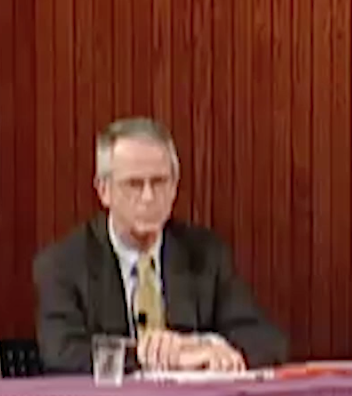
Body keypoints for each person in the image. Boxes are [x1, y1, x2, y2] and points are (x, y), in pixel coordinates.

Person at [33, 117, 287, 374]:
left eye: (159, 182)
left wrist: (205, 346)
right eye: (134, 184)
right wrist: (151, 356)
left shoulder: (205, 254)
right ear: (104, 191)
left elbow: (266, 342)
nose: (148, 197)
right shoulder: (63, 265)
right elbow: (61, 353)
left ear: (174, 187)